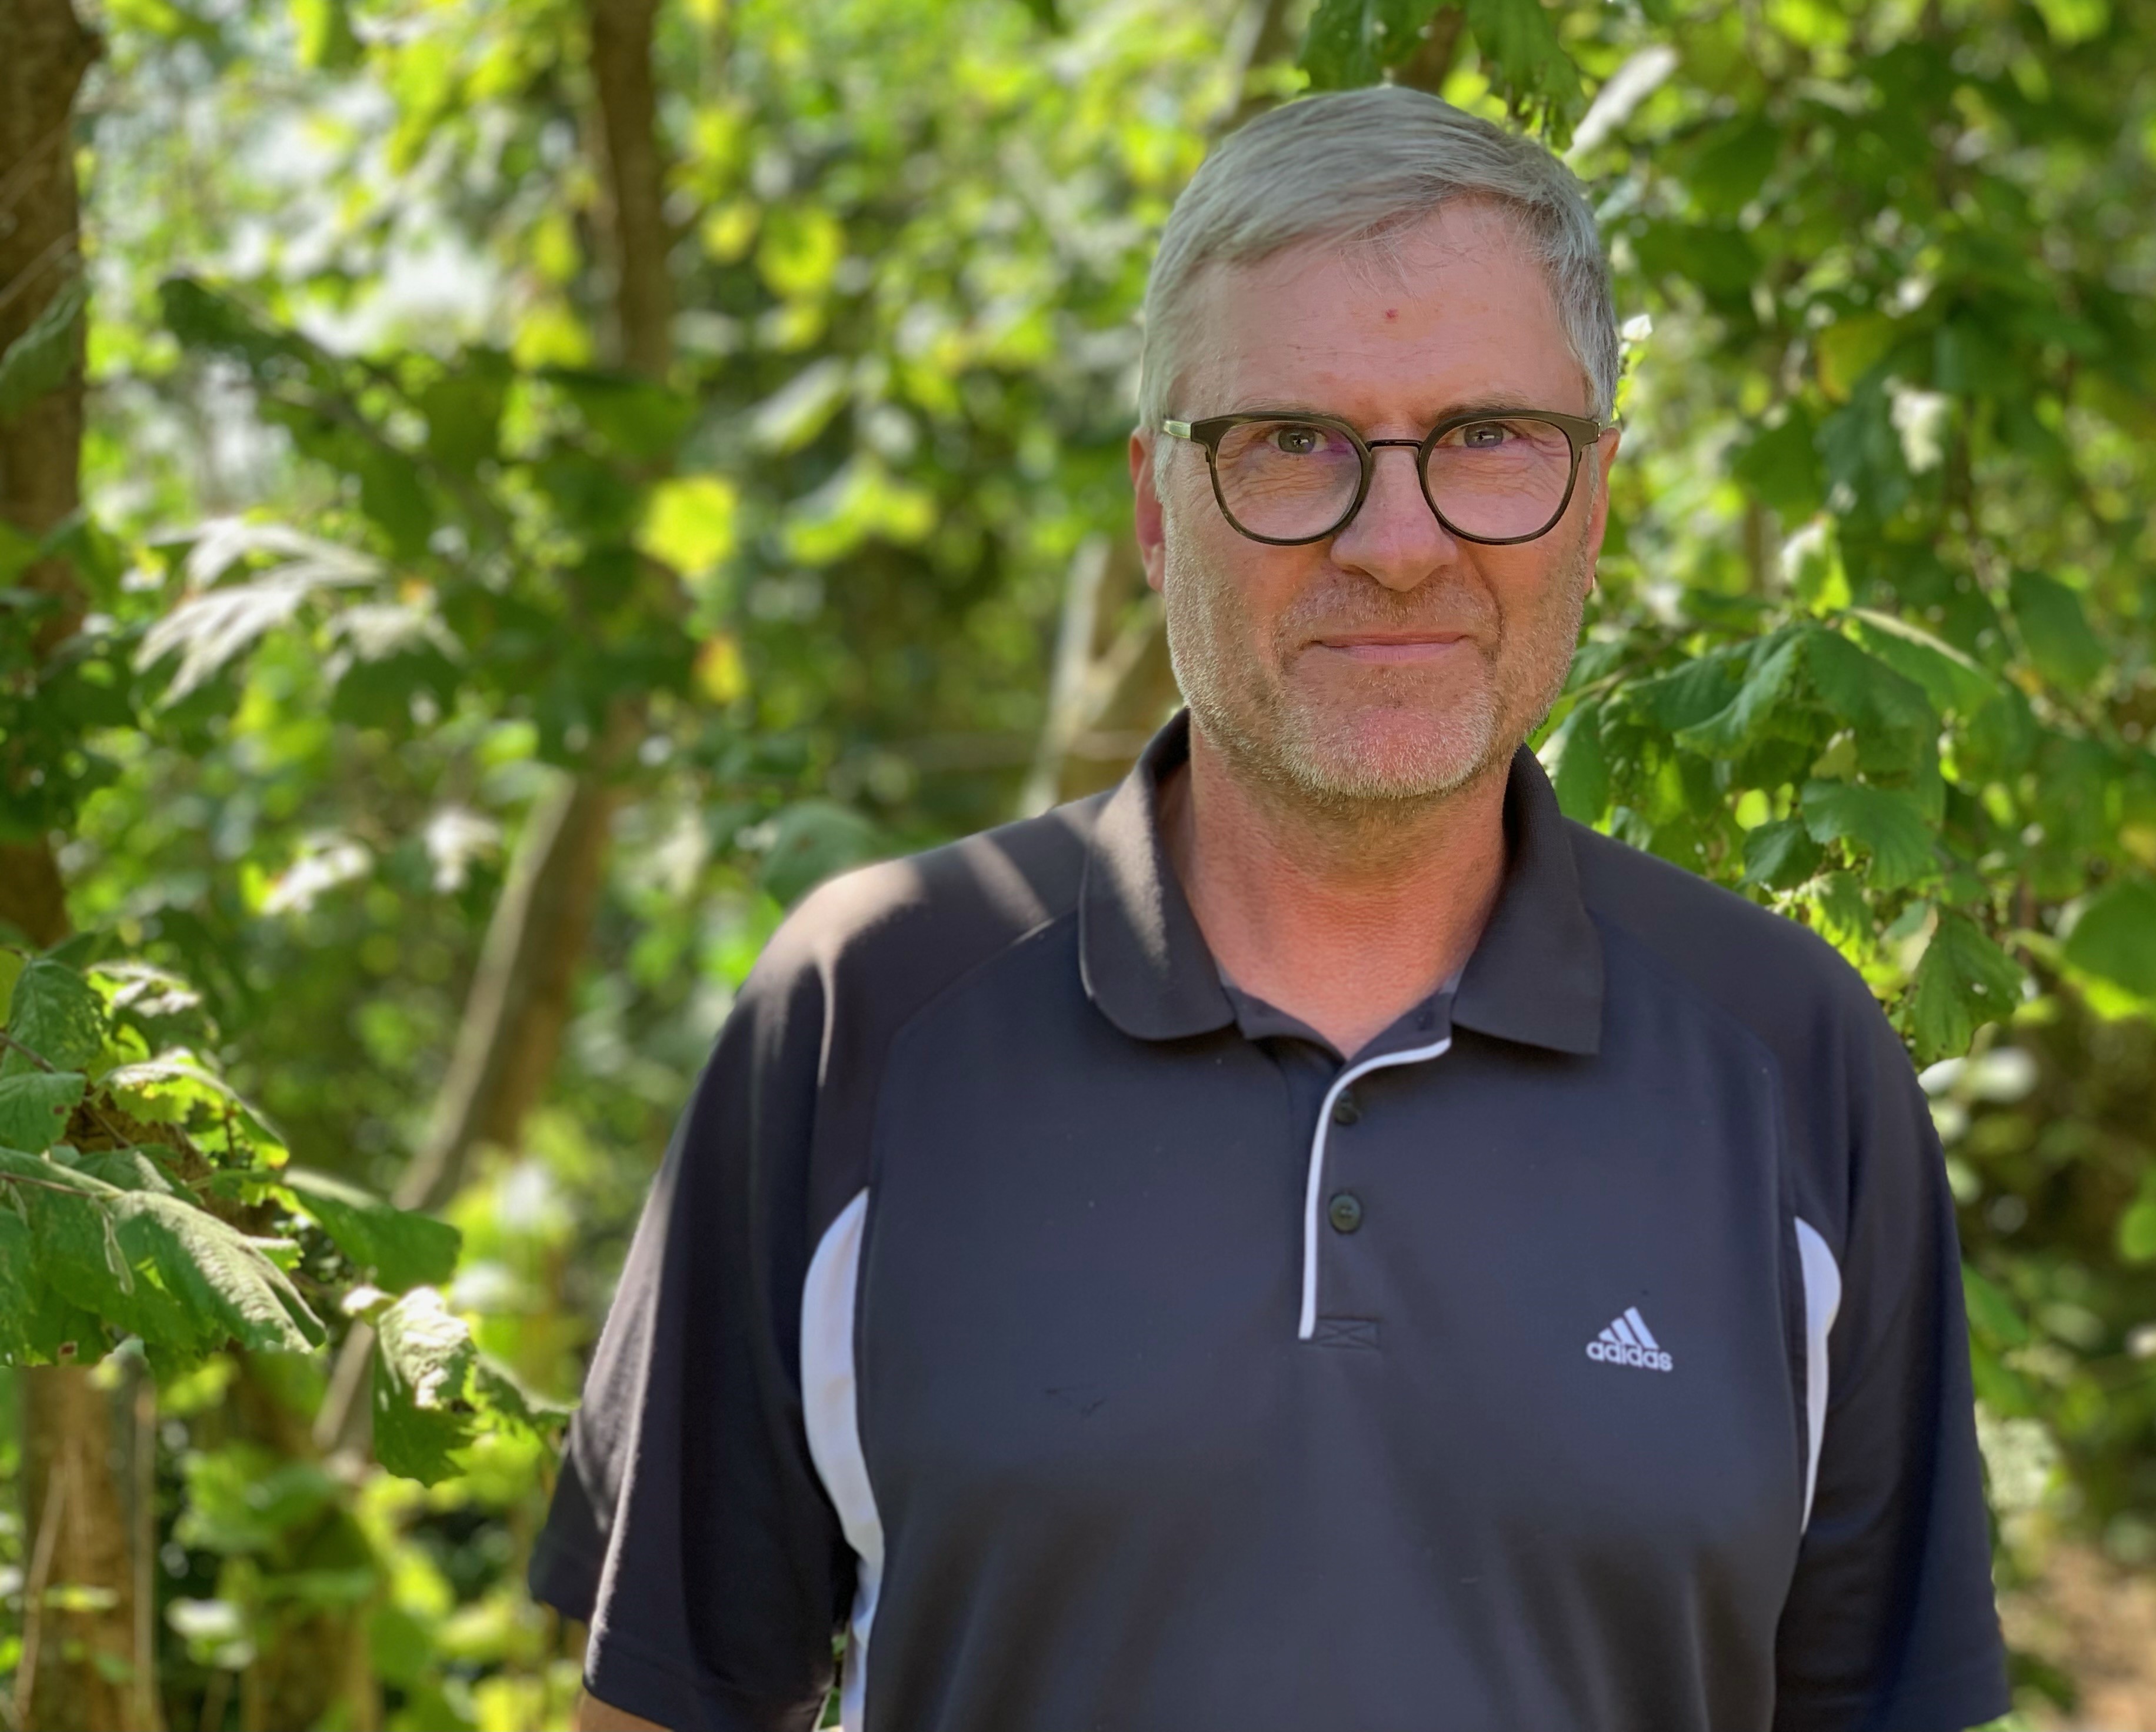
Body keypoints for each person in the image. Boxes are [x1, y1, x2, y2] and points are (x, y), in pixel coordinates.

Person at [532, 85, 2010, 1732]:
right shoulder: (862, 1021)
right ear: (1155, 506)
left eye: (1488, 438)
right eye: (1293, 443)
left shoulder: (1796, 1064)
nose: (1399, 543)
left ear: (1594, 499)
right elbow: (662, 1705)